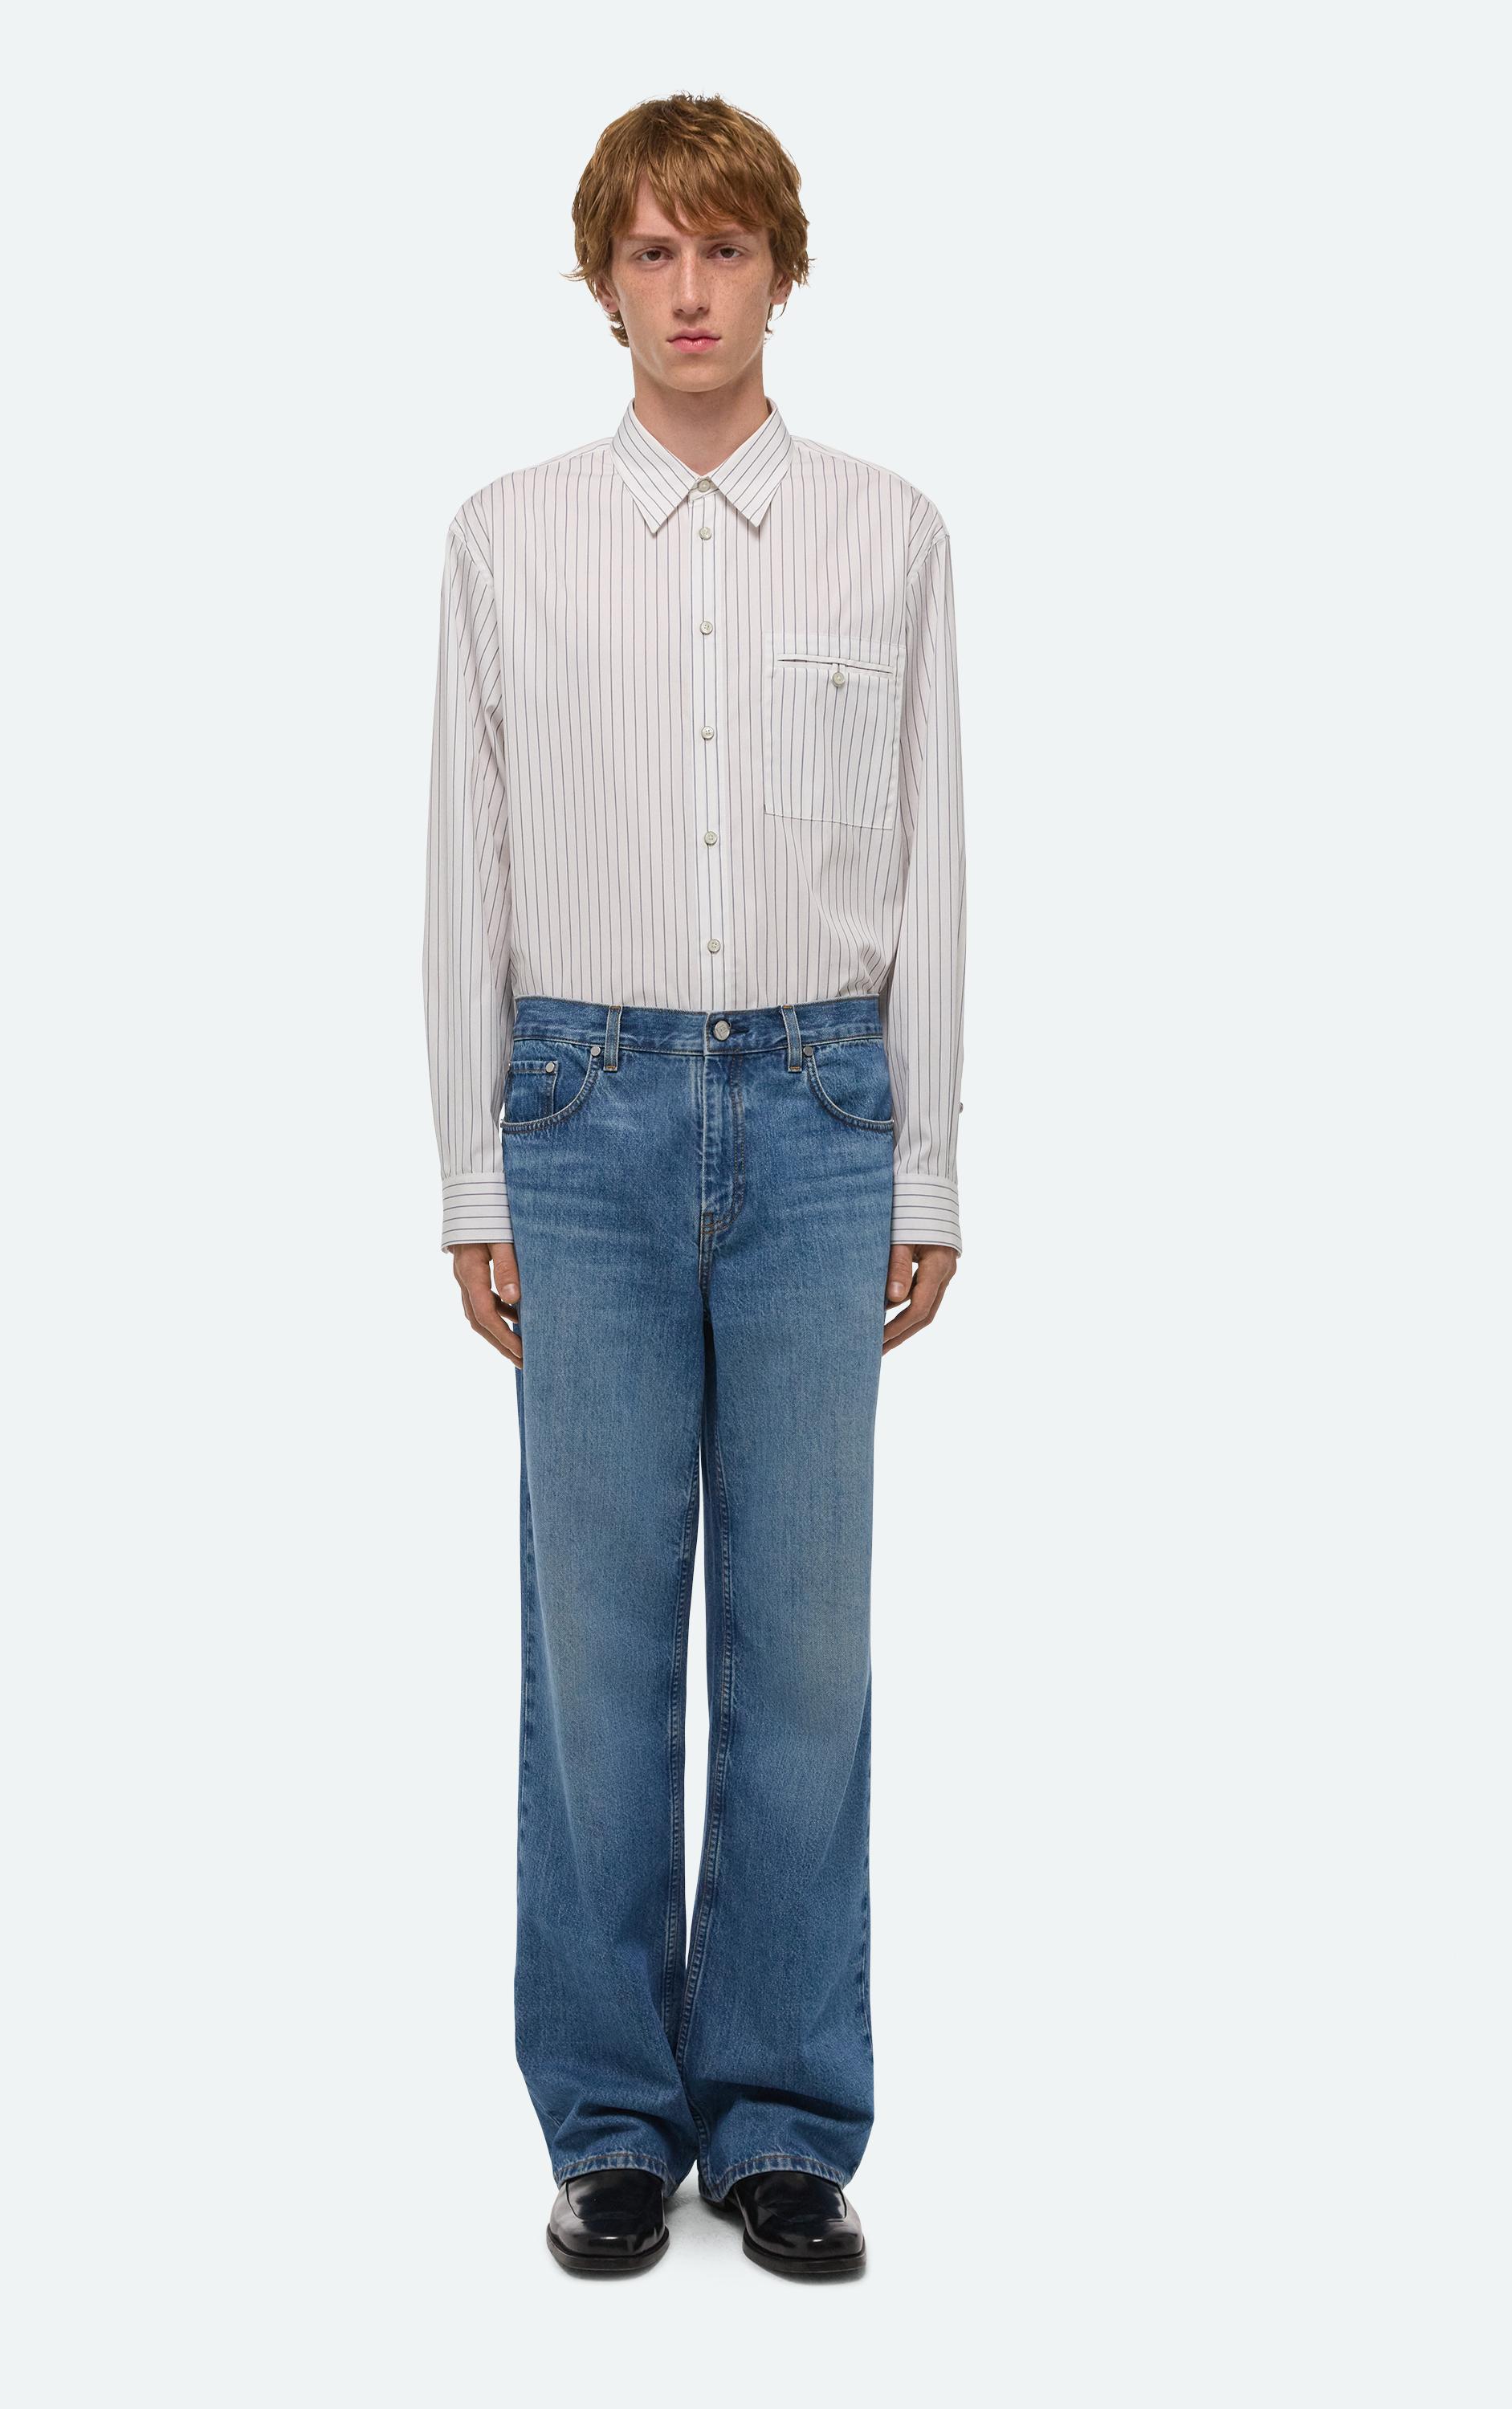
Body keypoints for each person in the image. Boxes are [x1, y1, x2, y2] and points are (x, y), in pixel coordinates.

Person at [422, 92, 967, 2281]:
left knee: (807, 1645)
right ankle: (612, 2123)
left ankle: (783, 2119)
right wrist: (473, 1169)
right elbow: (466, 866)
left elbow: (935, 857)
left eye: (723, 249)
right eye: (648, 254)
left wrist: (928, 1152)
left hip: (823, 1114)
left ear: (782, 273)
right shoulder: (508, 540)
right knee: (597, 1640)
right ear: (601, 285)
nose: (689, 291)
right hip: (587, 1117)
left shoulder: (889, 534)